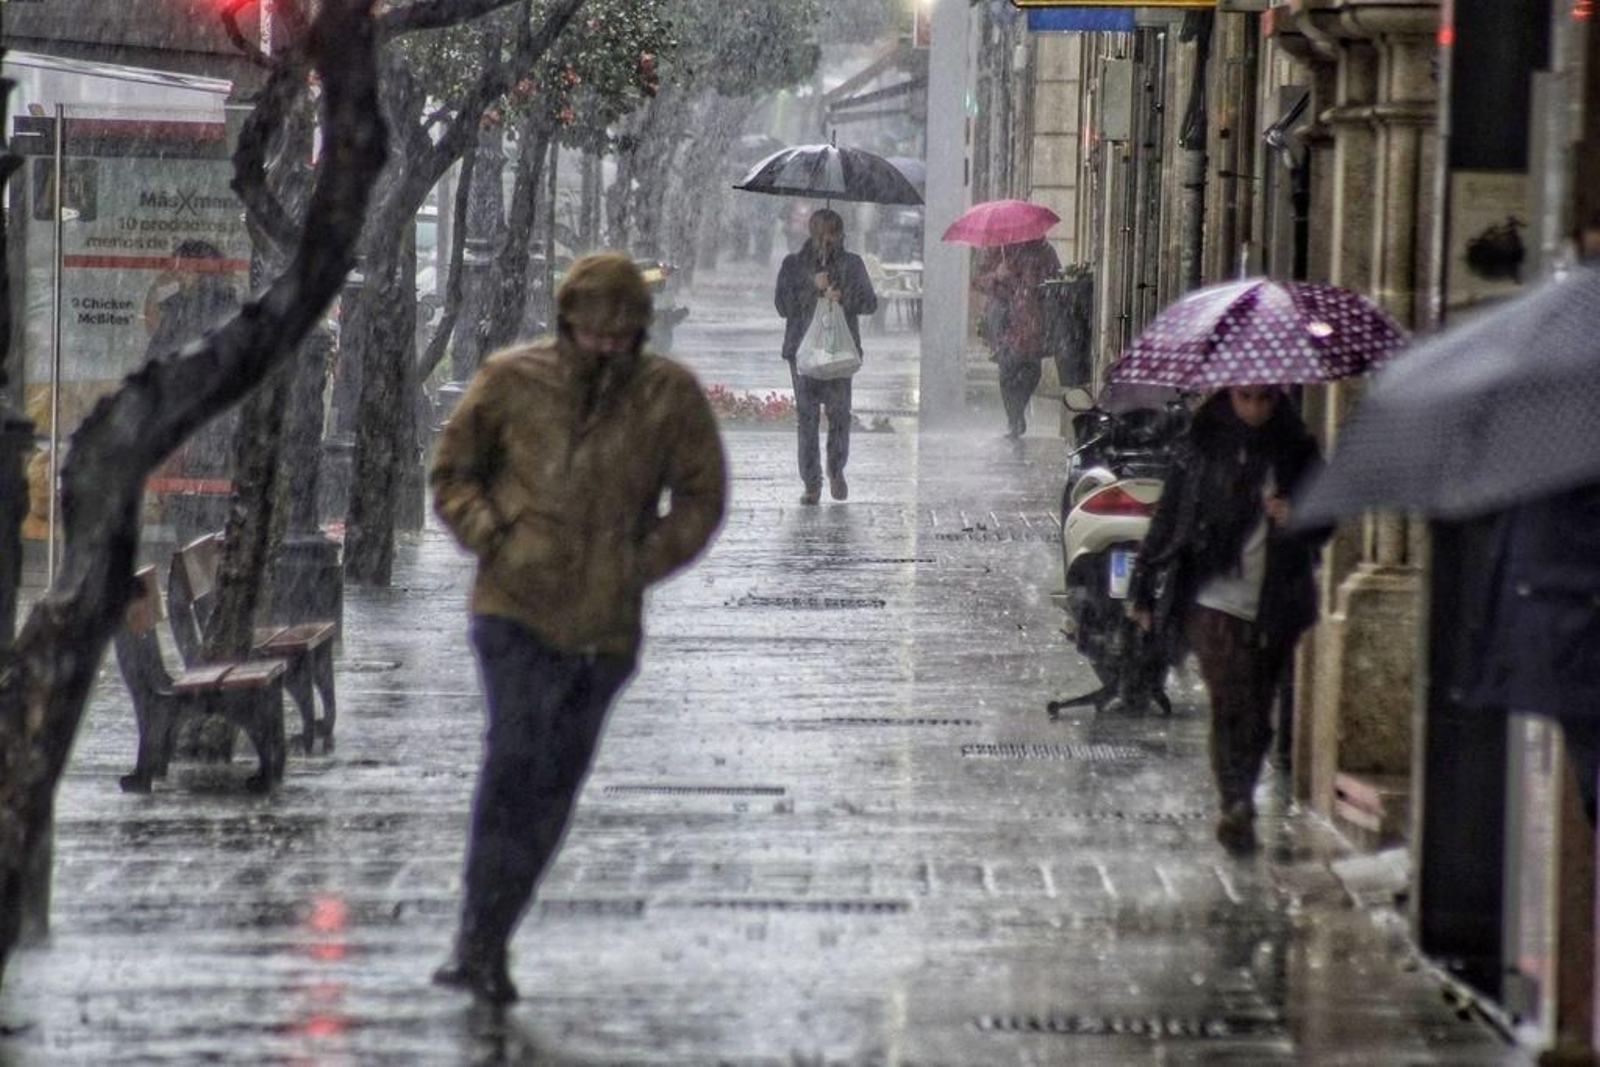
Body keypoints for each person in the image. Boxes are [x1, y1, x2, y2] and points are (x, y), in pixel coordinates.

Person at [428, 253, 728, 1003]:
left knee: (554, 783)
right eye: (592, 332)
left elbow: (701, 496)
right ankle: (479, 933)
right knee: (513, 758)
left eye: (620, 335)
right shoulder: (511, 380)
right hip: (513, 610)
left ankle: (494, 927)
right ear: (566, 323)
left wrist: (639, 560)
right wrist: (494, 534)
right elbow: (452, 471)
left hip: (603, 628)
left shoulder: (668, 397)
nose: (604, 347)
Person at [1125, 387, 1327, 853]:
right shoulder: (1200, 448)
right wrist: (1143, 586)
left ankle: (1243, 785)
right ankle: (1235, 800)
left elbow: (1326, 519)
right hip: (1213, 597)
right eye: (1246, 398)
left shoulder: (1297, 452)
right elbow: (1169, 519)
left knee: (1259, 707)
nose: (1255, 409)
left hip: (1276, 597)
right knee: (1230, 696)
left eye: (1264, 400)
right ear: (1229, 397)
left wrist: (1297, 515)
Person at [775, 208, 878, 505]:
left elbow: (869, 303)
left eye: (836, 233)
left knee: (839, 416)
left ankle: (836, 470)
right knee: (806, 420)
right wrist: (812, 288)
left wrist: (841, 294)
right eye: (825, 233)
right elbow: (782, 305)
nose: (831, 240)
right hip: (802, 353)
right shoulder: (793, 265)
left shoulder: (852, 264)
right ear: (813, 233)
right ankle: (811, 482)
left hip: (839, 352)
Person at [971, 237, 1061, 438]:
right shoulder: (996, 249)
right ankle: (1014, 420)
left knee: (1032, 370)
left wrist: (1038, 286)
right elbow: (977, 281)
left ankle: (1017, 412)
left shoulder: (1044, 250)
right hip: (1005, 319)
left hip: (1033, 319)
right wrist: (997, 275)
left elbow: (1057, 282)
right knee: (1007, 369)